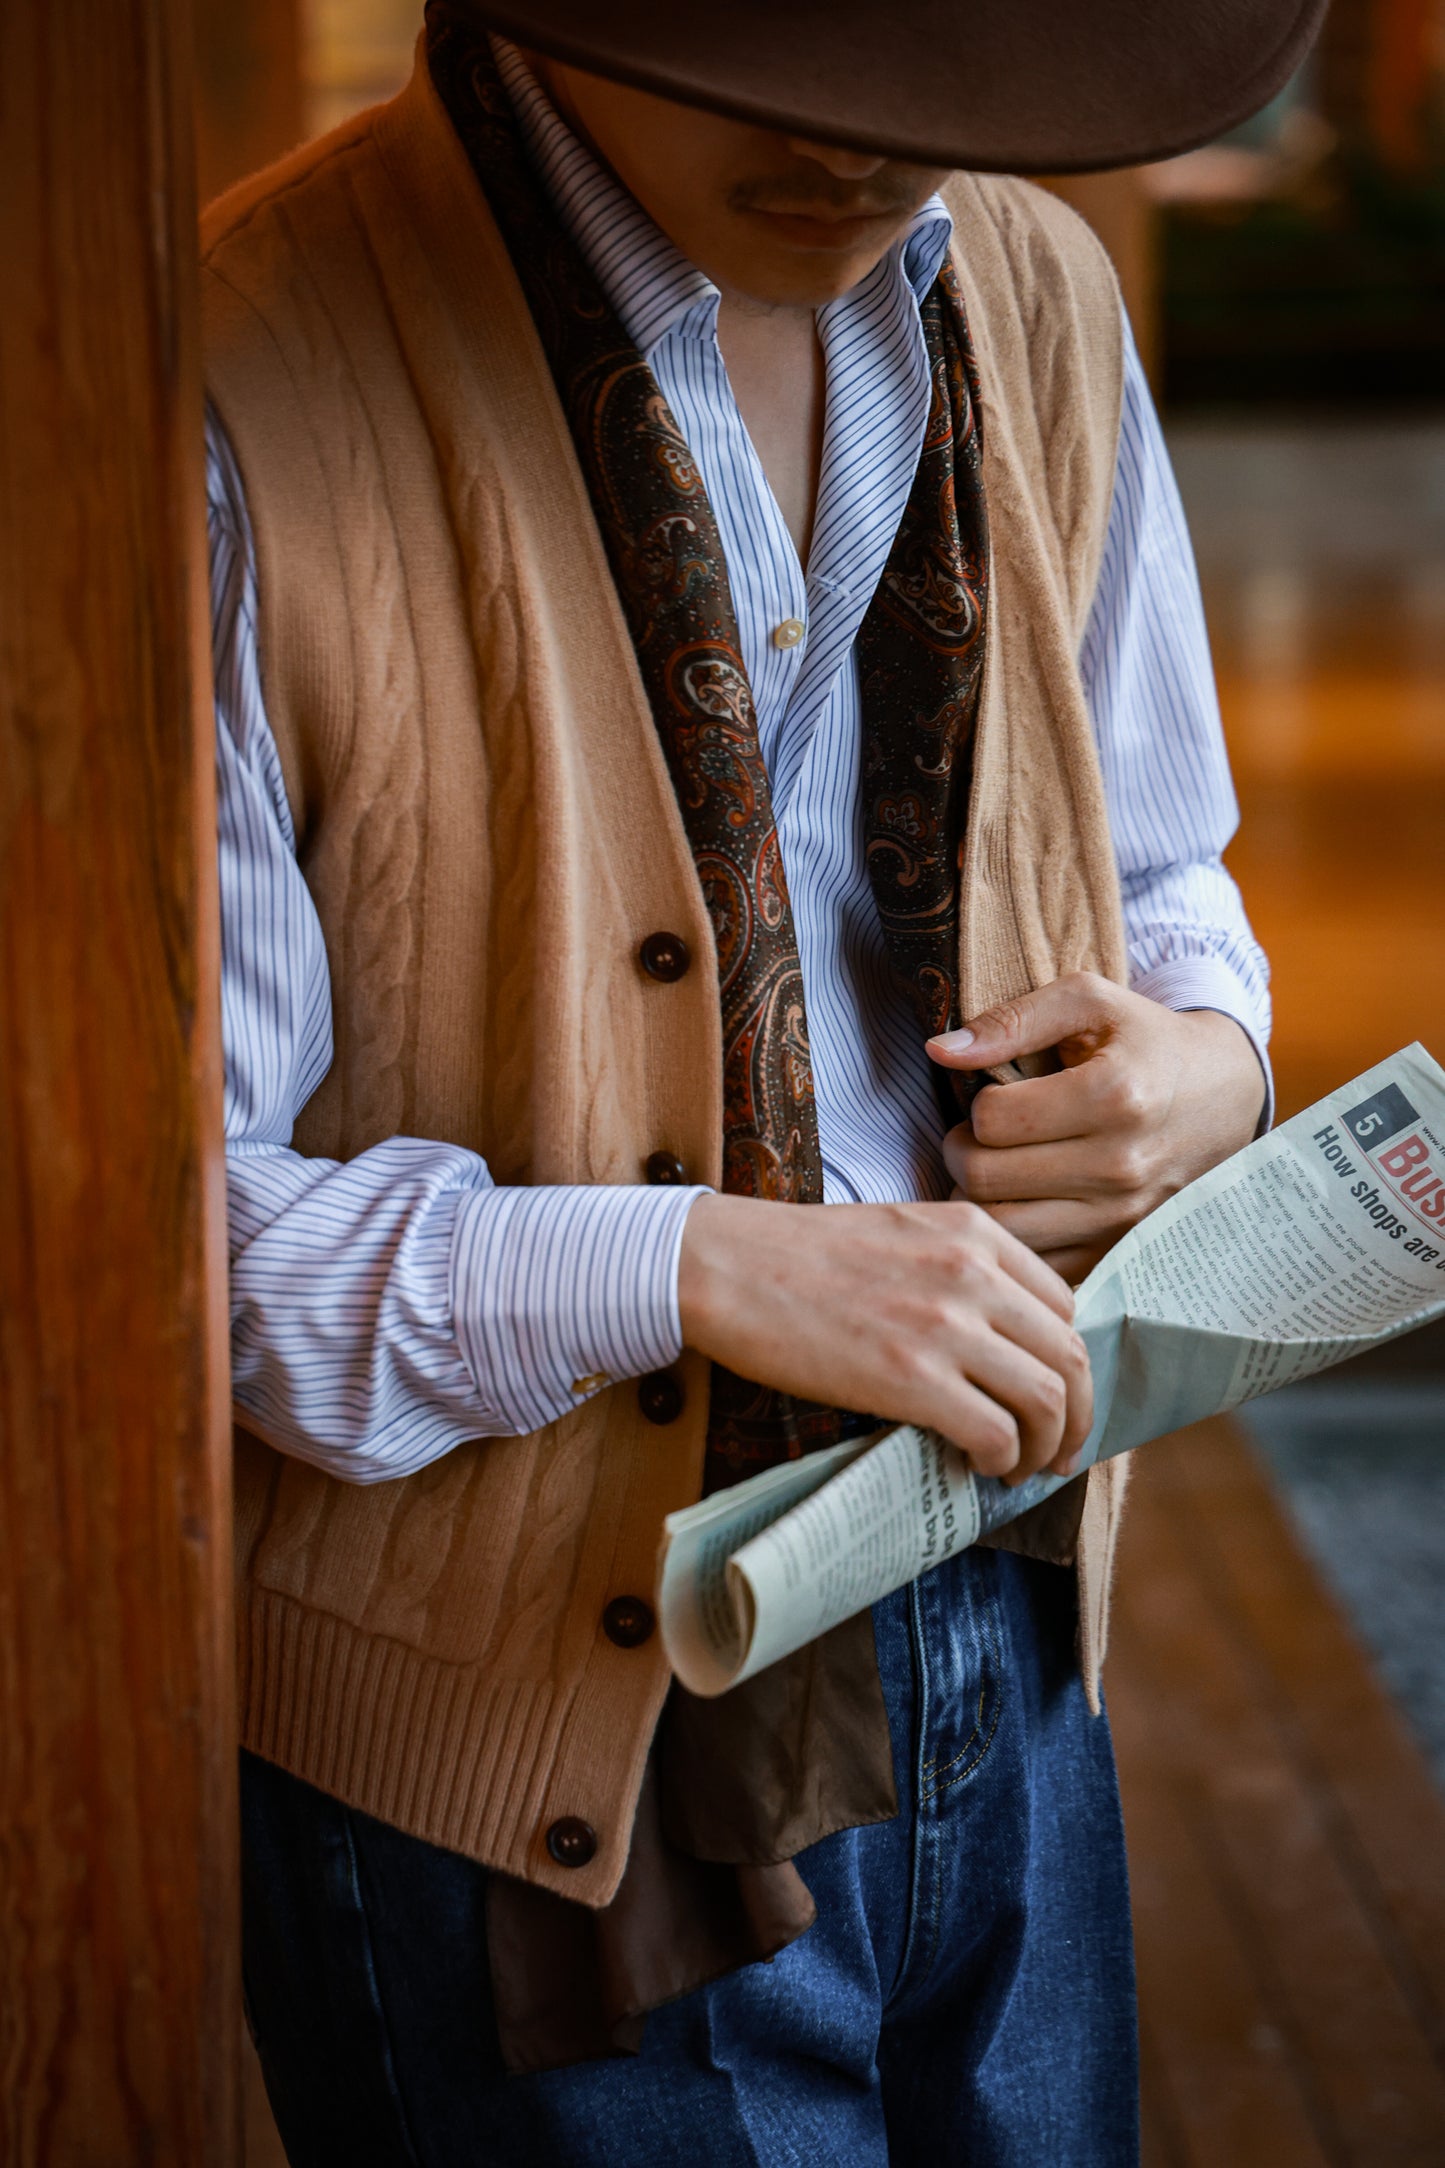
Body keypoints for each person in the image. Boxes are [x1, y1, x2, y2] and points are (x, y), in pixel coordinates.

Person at [206, 2, 1318, 2159]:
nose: (868, 139)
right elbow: (160, 1241)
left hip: (1001, 1600)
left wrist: (1208, 1055)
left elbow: (1169, 868)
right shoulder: (241, 372)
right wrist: (703, 1267)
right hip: (523, 1747)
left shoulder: (1029, 282)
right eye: (784, 47)